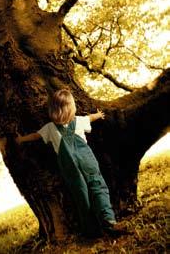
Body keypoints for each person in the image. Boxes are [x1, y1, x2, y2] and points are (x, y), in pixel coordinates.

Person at [16, 89, 124, 237]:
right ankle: (109, 222)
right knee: (98, 186)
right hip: (87, 160)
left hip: (69, 167)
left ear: (52, 109)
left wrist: (21, 139)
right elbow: (90, 118)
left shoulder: (50, 128)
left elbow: (35, 136)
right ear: (72, 107)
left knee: (81, 195)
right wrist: (99, 115)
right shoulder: (78, 120)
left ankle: (92, 230)